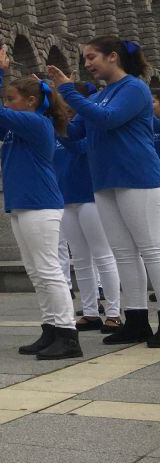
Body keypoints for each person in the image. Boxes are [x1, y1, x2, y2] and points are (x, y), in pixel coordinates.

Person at [49, 37, 160, 346]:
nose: (87, 64)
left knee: (151, 249)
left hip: (136, 175)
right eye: (85, 58)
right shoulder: (100, 95)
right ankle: (136, 319)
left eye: (91, 57)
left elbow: (109, 121)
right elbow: (74, 133)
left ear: (113, 57)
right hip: (105, 180)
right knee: (124, 252)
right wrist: (55, 111)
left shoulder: (134, 89)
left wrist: (69, 91)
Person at [0, 47, 81, 359]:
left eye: (12, 99)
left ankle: (67, 333)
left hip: (40, 203)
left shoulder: (36, 123)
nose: (7, 104)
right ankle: (51, 329)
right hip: (23, 204)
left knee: (48, 269)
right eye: (6, 99)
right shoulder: (16, 128)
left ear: (31, 101)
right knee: (36, 271)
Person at [55, 84, 122, 333]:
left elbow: (79, 147)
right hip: (66, 198)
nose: (61, 104)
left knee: (103, 255)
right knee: (81, 259)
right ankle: (91, 311)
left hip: (89, 197)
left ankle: (114, 312)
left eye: (64, 99)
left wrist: (60, 126)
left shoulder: (87, 124)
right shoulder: (61, 127)